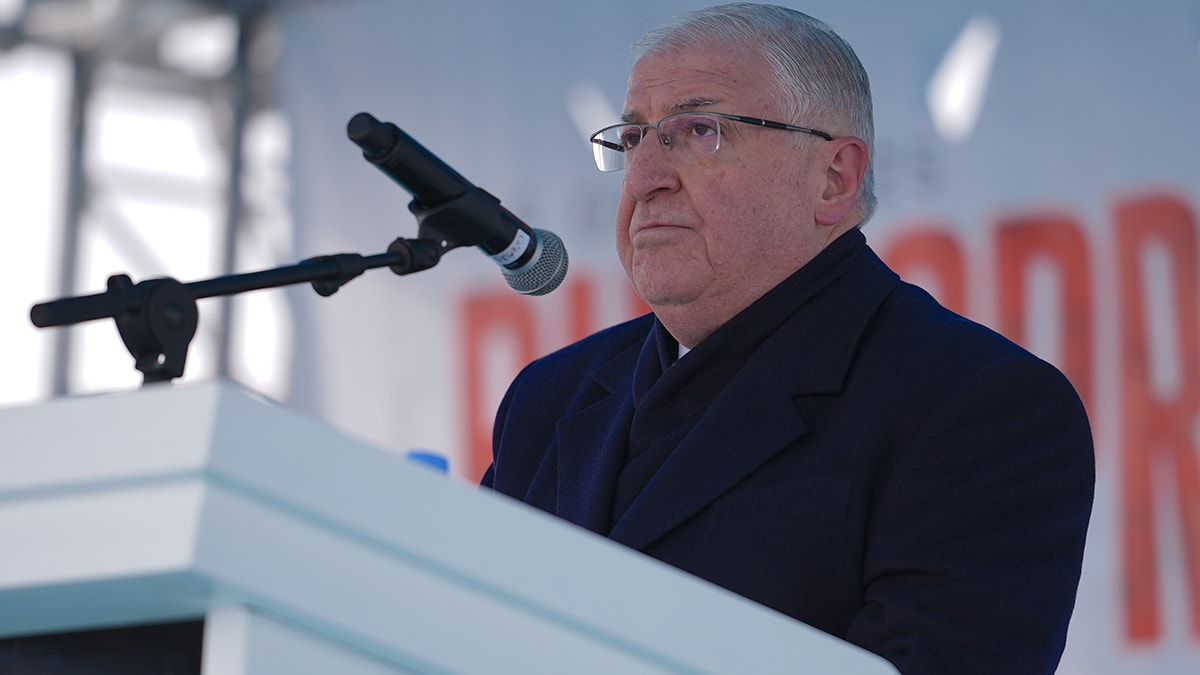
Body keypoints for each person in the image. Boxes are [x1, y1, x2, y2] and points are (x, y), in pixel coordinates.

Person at [481, 3, 1094, 673]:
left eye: (699, 130)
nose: (645, 178)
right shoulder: (549, 399)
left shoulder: (978, 405)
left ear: (833, 179)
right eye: (632, 138)